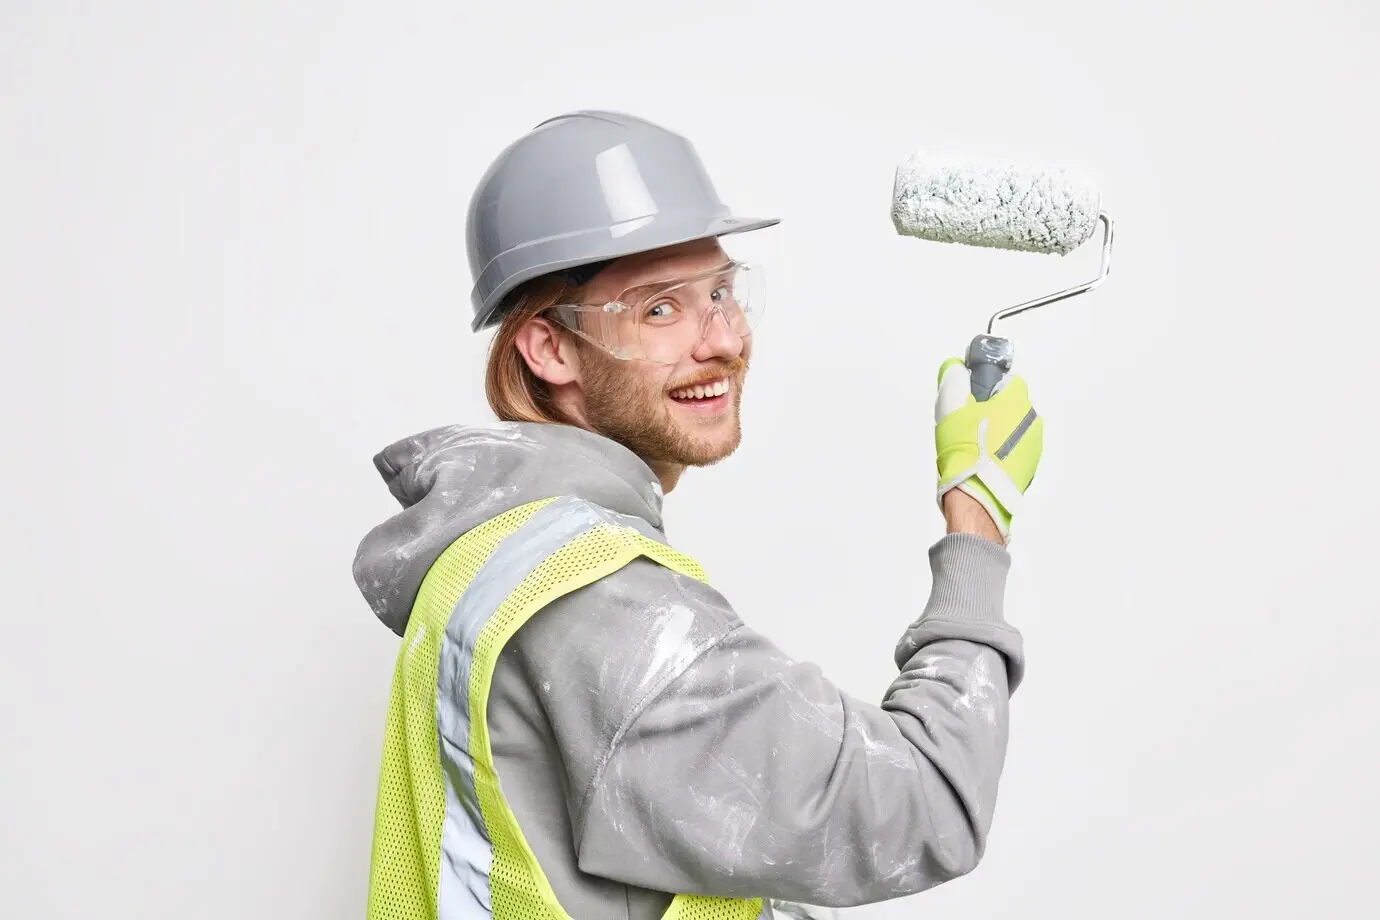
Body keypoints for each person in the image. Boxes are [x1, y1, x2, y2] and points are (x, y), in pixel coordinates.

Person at [352, 110, 1043, 920]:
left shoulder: (490, 551)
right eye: (659, 309)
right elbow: (924, 808)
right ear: (549, 349)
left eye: (720, 291)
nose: (723, 340)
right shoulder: (601, 607)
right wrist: (978, 515)